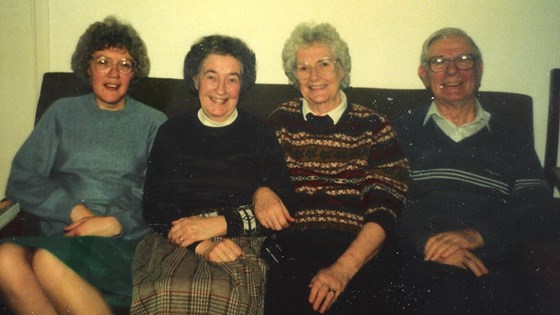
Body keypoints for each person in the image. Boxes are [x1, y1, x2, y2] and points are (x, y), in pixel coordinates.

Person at [0, 16, 166, 314]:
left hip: (120, 241)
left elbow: (158, 190)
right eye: (103, 61)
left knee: (50, 262)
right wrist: (74, 210)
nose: (114, 73)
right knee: (5, 259)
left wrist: (115, 222)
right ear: (87, 67)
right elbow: (23, 178)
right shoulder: (62, 113)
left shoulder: (153, 122)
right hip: (62, 234)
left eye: (125, 64)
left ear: (134, 72)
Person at [394, 27, 558, 314]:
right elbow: (388, 198)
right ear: (423, 73)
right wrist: (428, 242)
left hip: (493, 260)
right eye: (439, 62)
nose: (452, 71)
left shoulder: (512, 135)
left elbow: (538, 207)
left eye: (464, 59)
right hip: (423, 257)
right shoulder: (401, 129)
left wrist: (476, 235)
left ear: (479, 69)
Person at [130, 35, 295, 315]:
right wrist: (201, 243)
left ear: (242, 85)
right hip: (179, 235)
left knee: (225, 294)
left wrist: (222, 223)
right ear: (195, 80)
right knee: (162, 290)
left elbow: (285, 209)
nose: (221, 89)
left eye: (232, 78)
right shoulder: (171, 132)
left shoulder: (259, 132)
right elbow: (155, 203)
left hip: (239, 237)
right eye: (211, 76)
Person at [263, 22, 409, 314]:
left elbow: (385, 209)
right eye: (303, 68)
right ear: (294, 76)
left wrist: (342, 270)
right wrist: (261, 191)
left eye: (324, 64)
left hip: (358, 247)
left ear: (343, 70)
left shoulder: (374, 125)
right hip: (294, 245)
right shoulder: (279, 121)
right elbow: (254, 172)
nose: (314, 76)